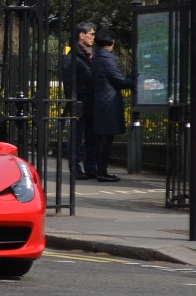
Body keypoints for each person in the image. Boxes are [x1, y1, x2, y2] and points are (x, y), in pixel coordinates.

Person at [89, 29, 137, 183]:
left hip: (100, 101)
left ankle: (100, 170)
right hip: (109, 103)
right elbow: (120, 82)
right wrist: (133, 78)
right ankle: (103, 172)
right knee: (107, 138)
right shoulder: (107, 59)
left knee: (101, 138)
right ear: (112, 42)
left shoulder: (97, 58)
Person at [58, 21, 97, 180]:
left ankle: (90, 168)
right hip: (80, 103)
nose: (94, 37)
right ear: (82, 35)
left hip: (92, 102)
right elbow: (69, 85)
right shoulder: (71, 59)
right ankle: (75, 168)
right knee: (75, 138)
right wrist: (74, 106)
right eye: (92, 34)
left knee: (91, 137)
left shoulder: (92, 56)